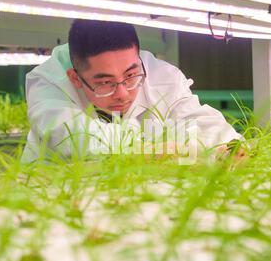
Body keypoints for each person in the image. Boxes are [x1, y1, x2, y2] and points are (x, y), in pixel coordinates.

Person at [21, 19, 245, 163]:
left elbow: (199, 121)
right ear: (75, 78)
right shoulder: (47, 82)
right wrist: (159, 147)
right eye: (105, 83)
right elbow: (77, 140)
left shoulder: (162, 77)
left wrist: (231, 148)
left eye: (130, 76)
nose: (123, 93)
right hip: (53, 189)